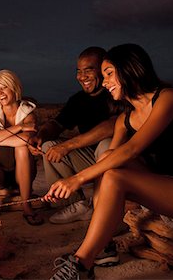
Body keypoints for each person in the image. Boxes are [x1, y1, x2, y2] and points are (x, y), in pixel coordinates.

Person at [46, 43, 173, 280]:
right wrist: (65, 186)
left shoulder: (168, 98)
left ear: (129, 69)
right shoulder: (124, 119)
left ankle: (81, 265)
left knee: (115, 171)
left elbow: (132, 149)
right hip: (165, 188)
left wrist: (76, 179)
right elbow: (112, 162)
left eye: (109, 73)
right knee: (108, 159)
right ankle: (103, 246)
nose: (104, 81)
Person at [29, 46, 117, 225]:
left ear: (103, 68)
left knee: (106, 144)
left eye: (88, 70)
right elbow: (57, 124)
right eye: (78, 71)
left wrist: (68, 145)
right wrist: (41, 135)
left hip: (116, 162)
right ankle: (78, 204)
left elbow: (112, 126)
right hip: (89, 160)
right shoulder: (78, 100)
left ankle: (104, 205)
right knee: (48, 146)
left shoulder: (115, 92)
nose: (81, 77)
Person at [0, 69, 44, 226]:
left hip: (23, 174)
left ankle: (26, 206)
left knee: (21, 148)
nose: (0, 93)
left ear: (14, 87)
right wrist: (19, 127)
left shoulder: (28, 112)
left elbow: (27, 139)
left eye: (4, 87)